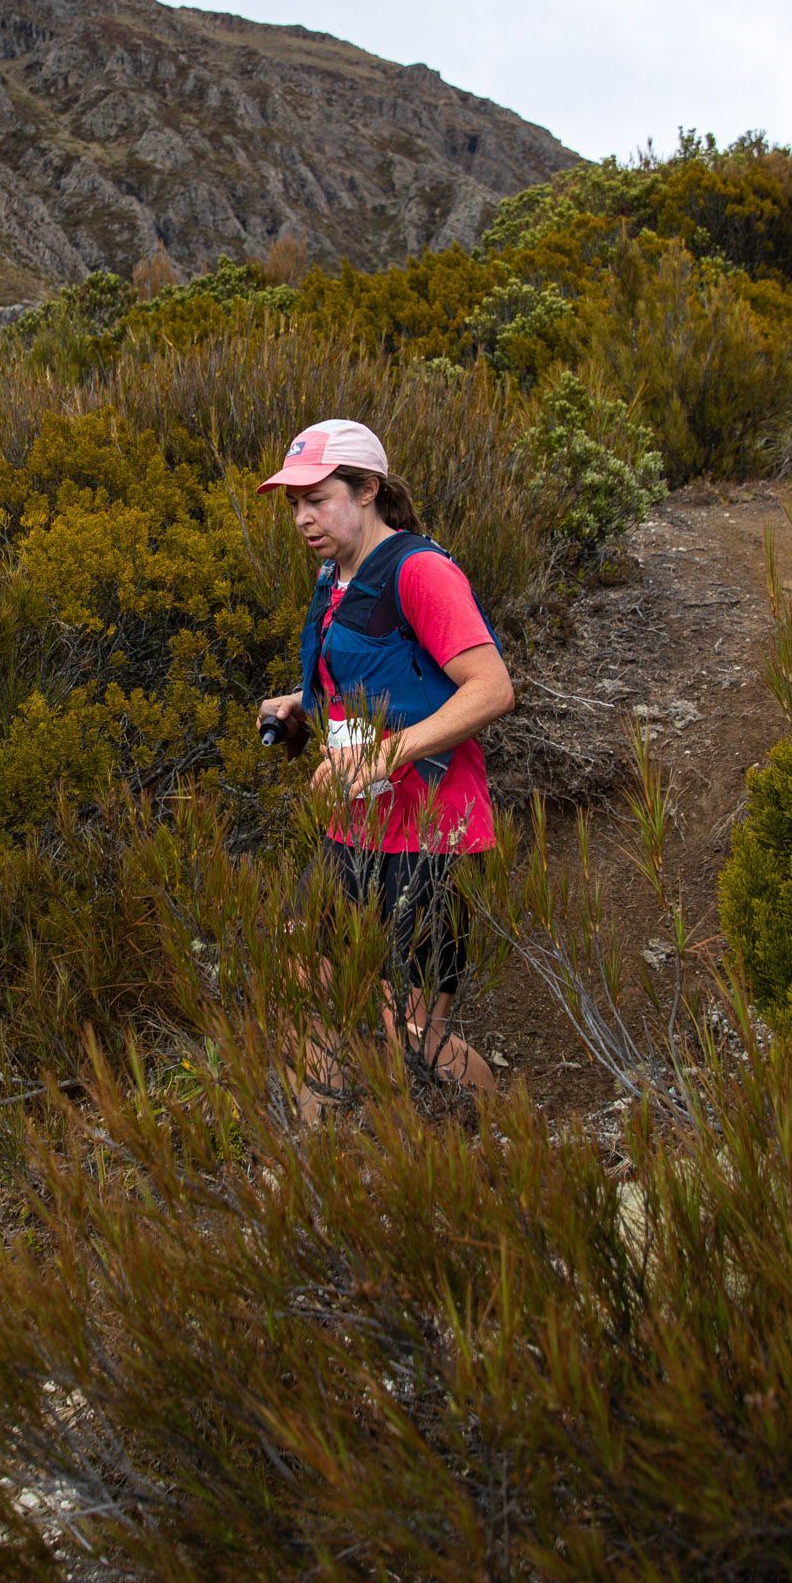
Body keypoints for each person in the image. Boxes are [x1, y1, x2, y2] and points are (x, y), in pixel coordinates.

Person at [256, 417, 514, 1112]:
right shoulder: (335, 577)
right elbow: (380, 683)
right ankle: (331, 1155)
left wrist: (381, 754)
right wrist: (301, 705)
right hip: (353, 830)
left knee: (415, 1035)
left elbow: (491, 689)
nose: (303, 517)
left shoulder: (419, 571)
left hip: (427, 834)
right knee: (298, 977)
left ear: (367, 488)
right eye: (293, 504)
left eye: (317, 497)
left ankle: (515, 1145)